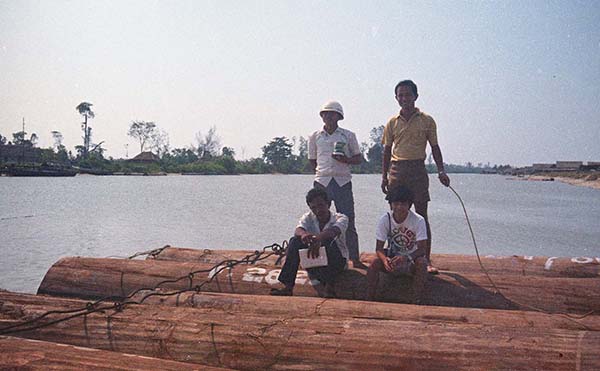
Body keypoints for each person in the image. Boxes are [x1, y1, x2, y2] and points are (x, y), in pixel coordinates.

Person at [381, 80, 450, 274]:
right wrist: (384, 176)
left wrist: (441, 171)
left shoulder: (427, 120)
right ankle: (393, 256)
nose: (404, 98)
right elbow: (386, 150)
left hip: (418, 169)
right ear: (396, 98)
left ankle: (424, 259)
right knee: (395, 216)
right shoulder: (392, 122)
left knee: (421, 215)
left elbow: (435, 148)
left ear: (416, 96)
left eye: (408, 95)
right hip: (397, 170)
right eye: (400, 95)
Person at [308, 100, 365, 269]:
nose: (328, 116)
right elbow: (312, 160)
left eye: (332, 113)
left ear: (339, 116)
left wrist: (345, 160)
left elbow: (358, 158)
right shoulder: (314, 136)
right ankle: (316, 257)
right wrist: (321, 174)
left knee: (348, 220)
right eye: (325, 113)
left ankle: (354, 258)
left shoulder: (348, 135)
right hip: (322, 181)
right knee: (317, 220)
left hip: (342, 181)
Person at [270, 188, 348, 297]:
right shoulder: (308, 217)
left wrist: (317, 240)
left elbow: (333, 232)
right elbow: (298, 230)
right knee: (295, 241)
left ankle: (329, 287)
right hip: (315, 261)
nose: (318, 210)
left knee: (328, 241)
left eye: (321, 205)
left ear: (328, 204)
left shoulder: (341, 218)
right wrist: (304, 235)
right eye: (314, 208)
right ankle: (288, 286)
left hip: (336, 264)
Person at [366, 185, 428, 302]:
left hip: (410, 260)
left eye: (403, 204)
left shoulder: (418, 220)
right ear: (391, 204)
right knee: (374, 263)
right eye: (396, 203)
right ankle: (369, 298)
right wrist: (385, 260)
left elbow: (422, 249)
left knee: (422, 263)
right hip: (392, 257)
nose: (399, 207)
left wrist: (406, 258)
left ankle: (416, 299)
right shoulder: (385, 219)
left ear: (409, 205)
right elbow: (378, 248)